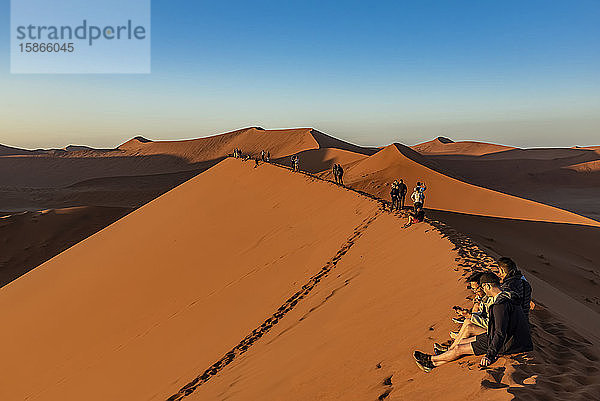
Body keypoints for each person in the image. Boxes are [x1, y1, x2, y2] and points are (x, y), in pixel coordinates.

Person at [413, 272, 533, 372]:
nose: (483, 291)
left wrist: (489, 355)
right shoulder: (509, 296)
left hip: (509, 344)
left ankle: (431, 361)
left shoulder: (500, 305)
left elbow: (500, 332)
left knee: (459, 349)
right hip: (510, 339)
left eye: (483, 287)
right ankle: (436, 363)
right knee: (463, 341)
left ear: (488, 286)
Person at [433, 272, 494, 354]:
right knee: (467, 321)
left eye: (476, 289)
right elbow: (484, 315)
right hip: (488, 329)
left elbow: (490, 324)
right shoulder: (483, 297)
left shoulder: (491, 300)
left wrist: (471, 316)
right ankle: (450, 349)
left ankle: (449, 351)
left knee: (469, 328)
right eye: (472, 289)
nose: (474, 291)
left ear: (483, 286)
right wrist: (469, 315)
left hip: (492, 333)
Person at [497, 257, 532, 322]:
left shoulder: (509, 285)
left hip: (514, 324)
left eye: (498, 271)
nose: (498, 274)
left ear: (501, 270)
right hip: (524, 321)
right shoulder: (525, 283)